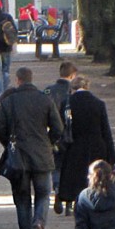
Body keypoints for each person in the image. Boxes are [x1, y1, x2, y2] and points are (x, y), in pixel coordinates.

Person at [0, 66, 63, 229]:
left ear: (18, 80)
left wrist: (9, 144)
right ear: (31, 80)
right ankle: (39, 222)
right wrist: (49, 142)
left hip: (19, 158)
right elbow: (58, 128)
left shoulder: (9, 102)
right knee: (43, 194)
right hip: (42, 154)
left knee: (22, 199)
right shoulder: (45, 100)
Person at [56, 76, 115, 218]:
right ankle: (93, 201)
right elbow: (106, 132)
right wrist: (113, 159)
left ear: (72, 88)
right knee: (94, 175)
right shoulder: (99, 104)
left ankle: (71, 202)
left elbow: (61, 127)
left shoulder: (67, 103)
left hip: (74, 144)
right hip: (97, 145)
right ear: (87, 86)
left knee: (74, 175)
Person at [43, 61, 78, 213]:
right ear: (72, 75)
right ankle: (70, 201)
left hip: (53, 136)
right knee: (70, 167)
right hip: (70, 136)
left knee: (56, 167)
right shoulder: (74, 93)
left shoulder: (48, 91)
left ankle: (57, 189)